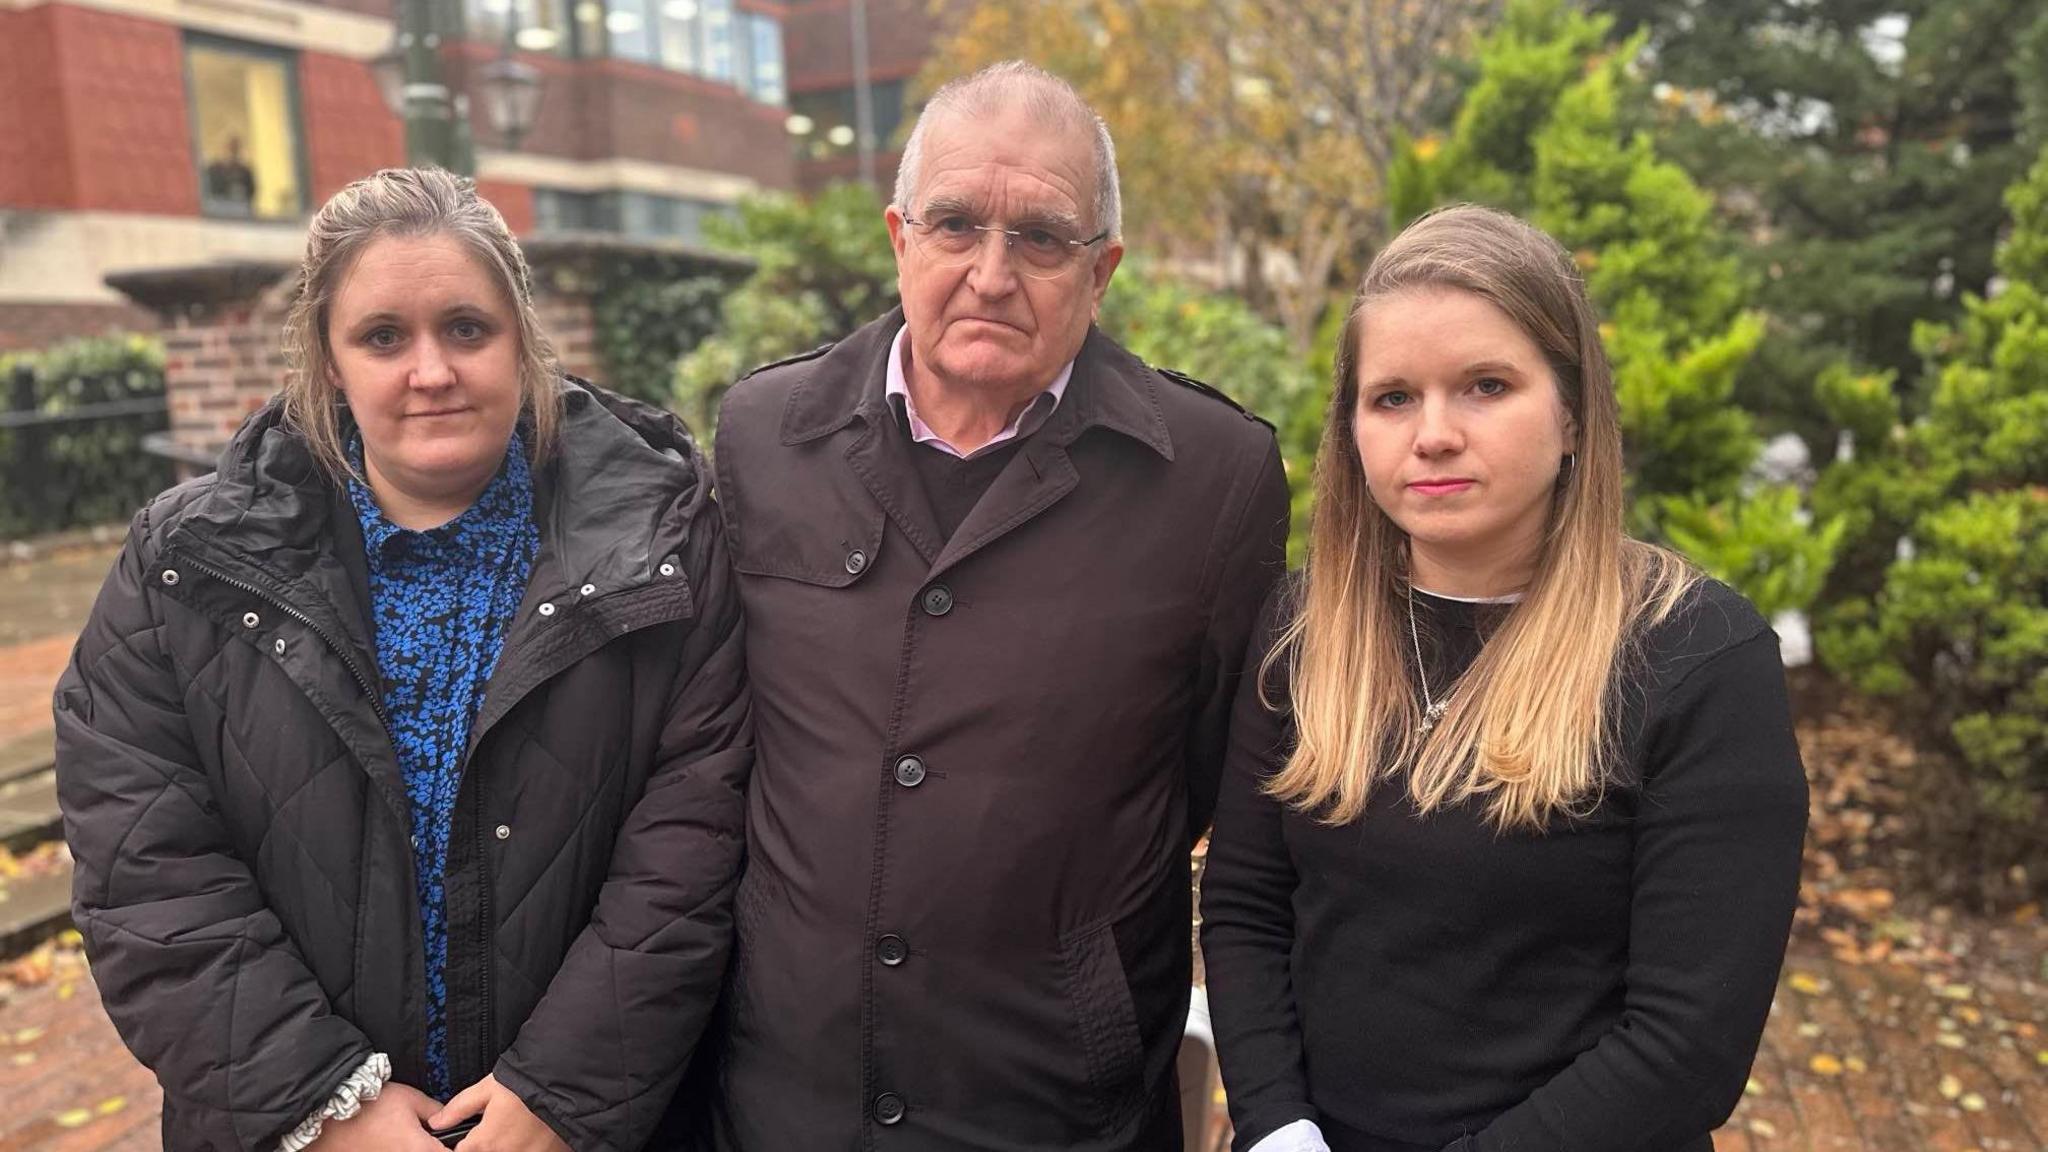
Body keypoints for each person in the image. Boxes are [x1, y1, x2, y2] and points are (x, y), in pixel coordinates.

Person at [53, 167, 751, 1152]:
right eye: (384, 337)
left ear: (521, 341)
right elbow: (146, 869)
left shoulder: (665, 548)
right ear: (330, 362)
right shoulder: (185, 571)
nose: (431, 370)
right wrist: (323, 1103)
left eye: (466, 328)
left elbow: (692, 851)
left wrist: (558, 1093)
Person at [694, 60, 1290, 1150]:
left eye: (1042, 238)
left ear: (1101, 269)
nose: (989, 272)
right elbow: (718, 738)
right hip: (786, 1094)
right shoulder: (762, 436)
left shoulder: (1214, 480)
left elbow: (1205, 777)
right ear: (898, 238)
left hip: (1056, 1105)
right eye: (956, 224)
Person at [1200, 204, 1809, 1152]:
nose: (1433, 434)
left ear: (1571, 413)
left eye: (1486, 386)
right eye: (1392, 397)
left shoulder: (1695, 654)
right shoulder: (1303, 627)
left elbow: (1687, 1044)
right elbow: (1244, 906)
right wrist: (1278, 1126)